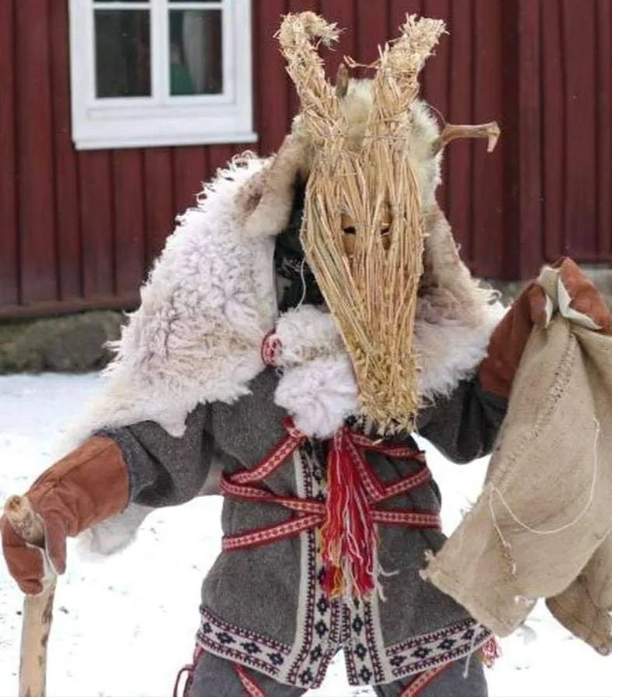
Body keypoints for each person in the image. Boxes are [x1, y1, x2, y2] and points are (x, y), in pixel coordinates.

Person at [1, 13, 610, 698]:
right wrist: (57, 504)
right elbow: (154, 442)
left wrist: (533, 328)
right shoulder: (234, 351)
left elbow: (469, 423)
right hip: (261, 600)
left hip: (409, 591)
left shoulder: (403, 336)